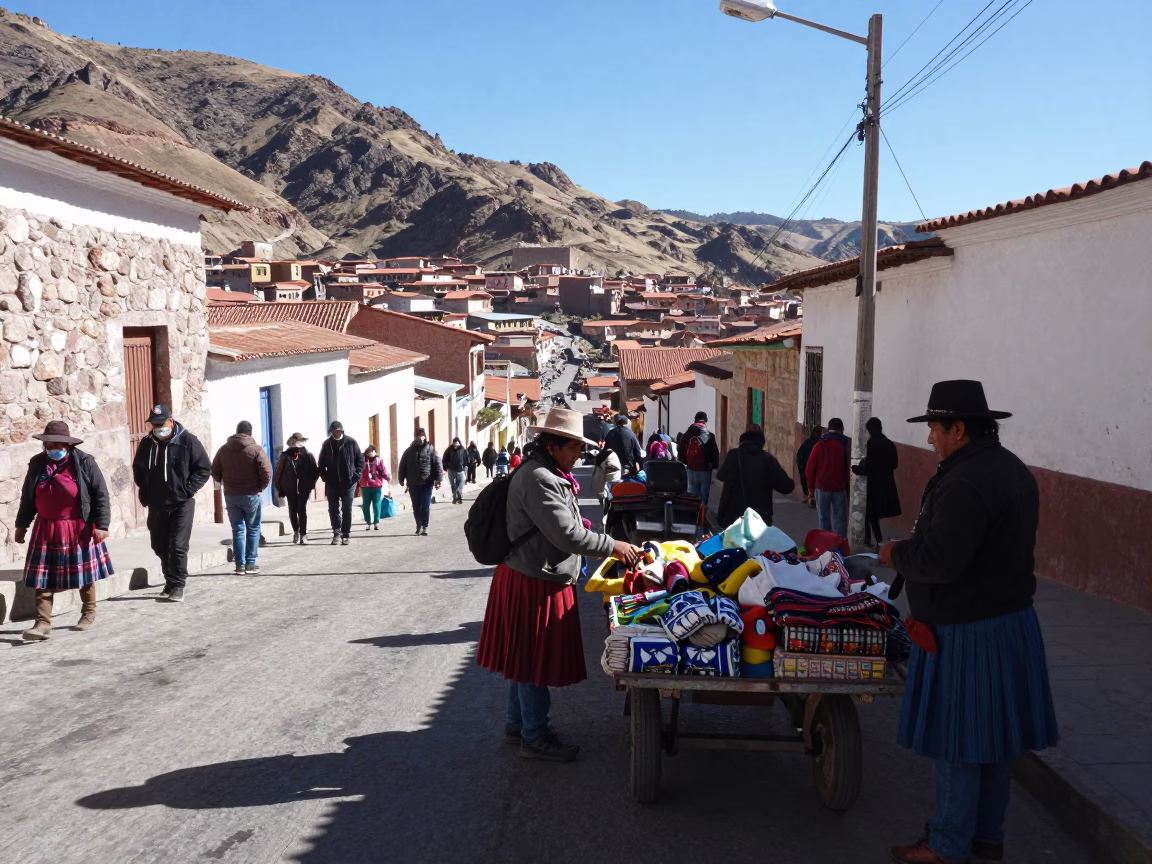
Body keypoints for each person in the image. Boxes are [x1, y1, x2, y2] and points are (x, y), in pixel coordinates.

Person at [882, 381, 1058, 864]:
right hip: (1008, 620)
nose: (930, 439)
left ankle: (947, 845)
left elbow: (940, 560)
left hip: (967, 628)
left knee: (957, 741)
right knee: (994, 742)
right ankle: (985, 838)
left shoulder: (965, 481)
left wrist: (893, 553)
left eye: (935, 429)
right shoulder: (1011, 469)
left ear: (959, 429)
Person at [478, 408, 641, 762]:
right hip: (532, 579)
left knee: (522, 657)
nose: (578, 456)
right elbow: (567, 534)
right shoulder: (540, 478)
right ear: (553, 445)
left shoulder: (546, 471)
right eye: (574, 449)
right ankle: (534, 736)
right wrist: (614, 545)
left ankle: (516, 724)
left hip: (532, 573)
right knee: (532, 659)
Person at [15, 421, 114, 640]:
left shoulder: (85, 462)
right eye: (48, 445)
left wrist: (103, 525)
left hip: (77, 526)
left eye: (57, 445)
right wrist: (21, 525)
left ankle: (88, 611)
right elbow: (28, 497)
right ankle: (42, 623)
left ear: (67, 445)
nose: (52, 449)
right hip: (46, 526)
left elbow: (100, 495)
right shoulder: (37, 464)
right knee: (42, 576)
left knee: (83, 573)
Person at [132, 404, 211, 603]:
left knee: (177, 546)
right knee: (159, 546)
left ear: (170, 421)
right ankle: (169, 580)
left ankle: (178, 585)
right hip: (156, 503)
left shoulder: (188, 441)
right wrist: (145, 490)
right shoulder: (147, 444)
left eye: (161, 423)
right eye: (154, 424)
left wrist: (187, 490)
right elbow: (138, 469)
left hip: (181, 503)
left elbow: (203, 469)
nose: (158, 428)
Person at [211, 420, 273, 576]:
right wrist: (260, 487)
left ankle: (239, 566)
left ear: (237, 431)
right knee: (252, 528)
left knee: (237, 530)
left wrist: (224, 482)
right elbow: (267, 471)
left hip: (231, 495)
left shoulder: (224, 449)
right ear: (250, 433)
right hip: (251, 494)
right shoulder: (255, 449)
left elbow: (214, 470)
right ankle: (250, 564)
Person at [716, 424, 795, 529]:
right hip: (759, 518)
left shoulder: (733, 455)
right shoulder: (768, 459)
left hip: (732, 516)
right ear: (761, 440)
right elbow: (786, 486)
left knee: (731, 544)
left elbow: (720, 475)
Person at [851, 417, 902, 549]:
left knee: (870, 513)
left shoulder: (871, 444)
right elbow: (894, 464)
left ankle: (875, 541)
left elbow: (870, 467)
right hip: (886, 483)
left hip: (874, 484)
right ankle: (873, 540)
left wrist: (856, 469)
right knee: (874, 514)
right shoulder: (889, 443)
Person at [318, 421, 364, 547]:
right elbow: (321, 463)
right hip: (332, 483)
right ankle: (336, 533)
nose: (336, 433)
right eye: (334, 431)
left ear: (342, 431)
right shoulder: (327, 445)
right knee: (333, 509)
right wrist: (325, 477)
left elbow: (360, 460)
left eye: (338, 431)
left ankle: (346, 534)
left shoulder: (351, 442)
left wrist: (356, 476)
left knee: (346, 509)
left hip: (349, 483)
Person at [805, 417, 852, 538]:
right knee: (840, 520)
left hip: (822, 487)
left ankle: (826, 546)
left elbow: (809, 469)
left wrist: (810, 490)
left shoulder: (820, 444)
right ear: (841, 429)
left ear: (828, 429)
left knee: (823, 519)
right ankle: (840, 545)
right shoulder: (845, 445)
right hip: (840, 488)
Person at [274, 433, 319, 544]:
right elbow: (279, 472)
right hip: (289, 488)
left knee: (301, 510)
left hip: (304, 488)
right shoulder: (285, 456)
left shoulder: (308, 456)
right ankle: (296, 531)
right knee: (292, 511)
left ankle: (303, 534)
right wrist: (279, 486)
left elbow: (315, 471)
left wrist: (310, 484)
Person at [398, 428, 443, 535]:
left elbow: (437, 465)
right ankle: (419, 524)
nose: (421, 438)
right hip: (413, 483)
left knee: (426, 505)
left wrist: (439, 480)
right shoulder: (408, 451)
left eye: (422, 435)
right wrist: (401, 479)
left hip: (427, 483)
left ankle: (425, 526)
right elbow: (402, 466)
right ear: (415, 437)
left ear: (425, 436)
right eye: (419, 435)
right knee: (416, 506)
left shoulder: (431, 450)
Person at [678, 411, 720, 505]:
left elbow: (680, 451)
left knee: (692, 497)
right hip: (705, 470)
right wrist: (713, 465)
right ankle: (702, 517)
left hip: (691, 469)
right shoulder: (709, 435)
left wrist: (688, 463)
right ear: (705, 421)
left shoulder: (686, 435)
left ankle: (693, 516)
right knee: (704, 497)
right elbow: (714, 453)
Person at [359, 445, 391, 529]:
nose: (371, 453)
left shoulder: (378, 461)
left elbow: (383, 471)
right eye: (370, 451)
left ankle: (376, 522)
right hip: (365, 486)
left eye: (373, 451)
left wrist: (388, 478)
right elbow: (359, 470)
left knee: (377, 505)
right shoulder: (363, 461)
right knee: (365, 505)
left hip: (377, 486)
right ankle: (368, 522)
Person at [591, 447, 622, 530]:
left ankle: (607, 526)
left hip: (608, 463)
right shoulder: (611, 454)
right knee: (611, 499)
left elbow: (597, 486)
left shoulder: (603, 455)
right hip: (616, 468)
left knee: (607, 500)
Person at [795, 424, 824, 508]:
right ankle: (811, 499)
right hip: (807, 468)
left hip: (803, 467)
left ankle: (810, 498)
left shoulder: (808, 443)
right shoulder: (817, 445)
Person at [442, 438, 467, 505]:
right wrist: (445, 467)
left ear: (459, 443)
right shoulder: (449, 449)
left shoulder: (462, 449)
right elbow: (445, 458)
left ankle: (459, 493)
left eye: (457, 443)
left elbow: (466, 458)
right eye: (454, 443)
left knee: (461, 481)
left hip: (460, 469)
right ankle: (454, 498)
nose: (455, 445)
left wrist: (465, 466)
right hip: (451, 469)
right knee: (452, 484)